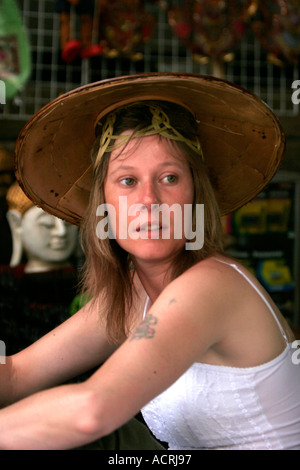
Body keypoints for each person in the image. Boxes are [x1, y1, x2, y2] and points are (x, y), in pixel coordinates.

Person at [0, 73, 299, 450]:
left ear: (195, 196)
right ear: (103, 204)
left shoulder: (214, 285)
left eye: (169, 177)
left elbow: (91, 410)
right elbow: (16, 374)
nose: (149, 201)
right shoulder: (130, 297)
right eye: (127, 181)